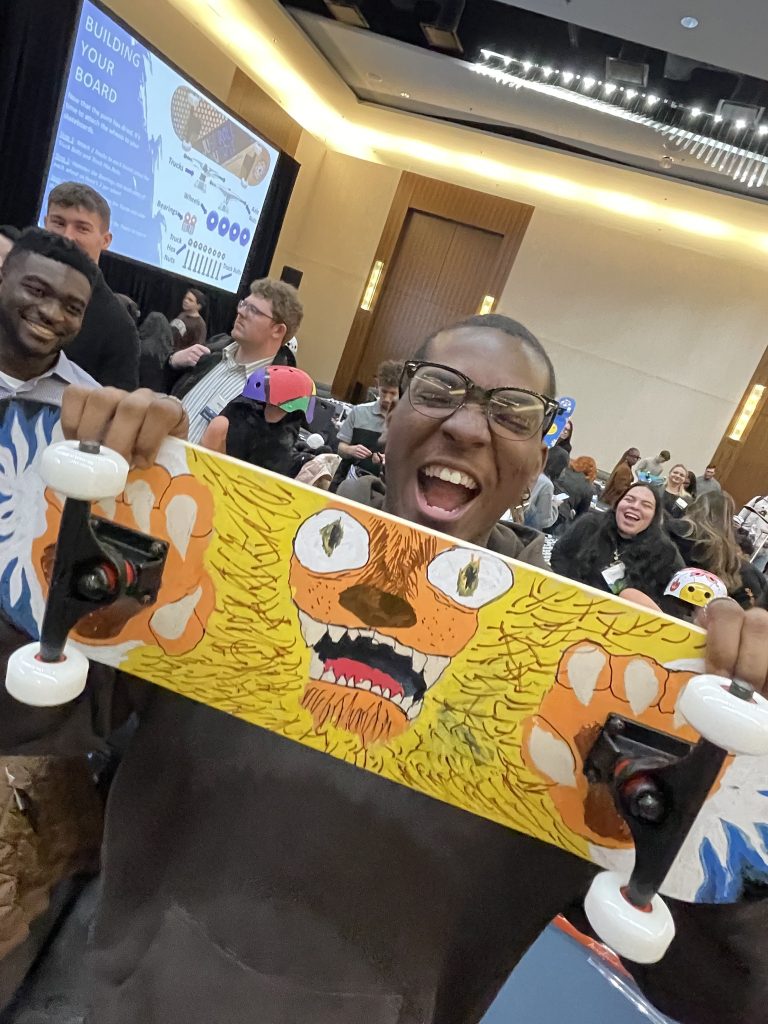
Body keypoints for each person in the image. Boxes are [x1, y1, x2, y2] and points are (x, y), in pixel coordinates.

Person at [2, 317, 768, 1024]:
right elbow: (25, 709)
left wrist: (741, 791)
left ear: (540, 458)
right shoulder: (227, 562)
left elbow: (729, 990)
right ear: (391, 408)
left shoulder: (585, 683)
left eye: (511, 413)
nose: (468, 426)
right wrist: (61, 523)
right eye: (441, 391)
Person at [169, 278, 302, 444]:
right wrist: (172, 362)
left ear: (277, 330)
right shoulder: (211, 351)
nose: (241, 312)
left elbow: (266, 461)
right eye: (243, 304)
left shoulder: (278, 400)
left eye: (253, 310)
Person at [43, 182, 140, 390]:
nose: (67, 236)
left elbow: (113, 411)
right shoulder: (12, 287)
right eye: (58, 223)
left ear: (106, 240)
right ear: (45, 224)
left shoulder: (119, 327)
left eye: (82, 228)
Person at [0, 228, 99, 402]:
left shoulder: (91, 404)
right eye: (37, 291)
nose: (52, 314)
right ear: (3, 280)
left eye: (72, 308)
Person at [551, 483, 684, 608]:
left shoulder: (665, 553)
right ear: (618, 504)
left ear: (654, 516)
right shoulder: (589, 525)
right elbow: (559, 555)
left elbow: (674, 604)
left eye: (646, 505)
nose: (635, 506)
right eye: (629, 499)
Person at [667, 491, 767, 609]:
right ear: (728, 518)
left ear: (696, 506)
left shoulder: (671, 530)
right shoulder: (733, 560)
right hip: (703, 611)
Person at [333, 359, 402, 486]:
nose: (387, 399)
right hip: (348, 482)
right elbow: (340, 448)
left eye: (393, 394)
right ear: (378, 387)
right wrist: (350, 450)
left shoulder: (407, 423)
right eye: (384, 392)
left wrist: (390, 461)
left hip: (384, 488)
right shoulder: (359, 412)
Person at [524, 445, 568, 532]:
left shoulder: (532, 471)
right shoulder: (547, 484)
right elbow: (544, 520)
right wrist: (555, 505)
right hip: (525, 526)